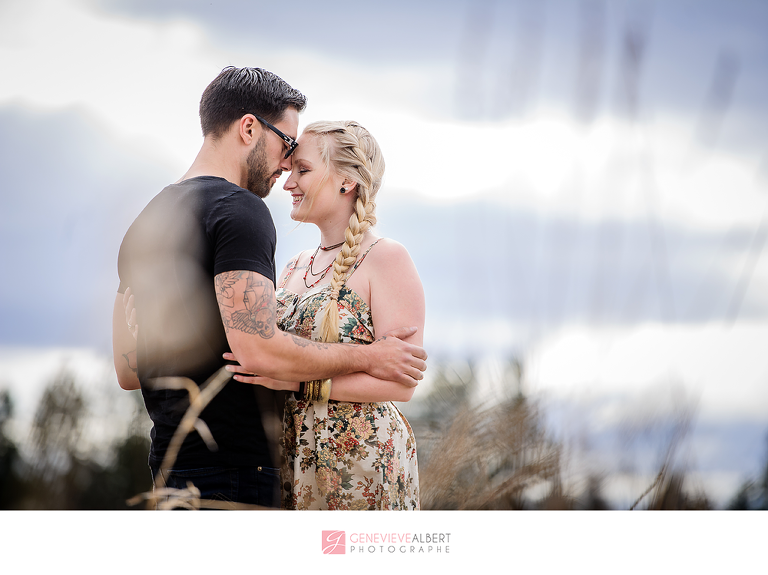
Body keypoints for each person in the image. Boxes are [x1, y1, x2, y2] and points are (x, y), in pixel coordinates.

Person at [112, 67, 427, 509]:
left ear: (347, 180)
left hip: (177, 463)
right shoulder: (242, 213)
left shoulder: (146, 221)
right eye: (286, 147)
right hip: (239, 468)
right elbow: (259, 348)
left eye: (301, 164)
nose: (285, 168)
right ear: (248, 128)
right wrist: (368, 356)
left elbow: (128, 370)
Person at [224, 120, 424, 510]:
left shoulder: (387, 259)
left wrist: (297, 385)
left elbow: (402, 386)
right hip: (294, 454)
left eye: (303, 170)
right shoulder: (294, 266)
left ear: (347, 181)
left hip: (362, 463)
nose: (288, 183)